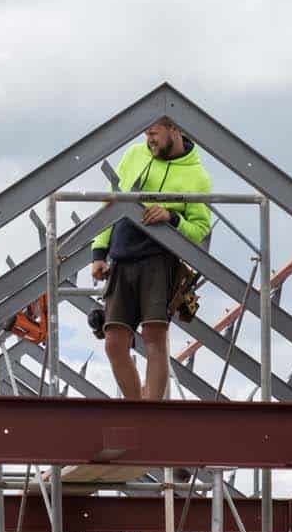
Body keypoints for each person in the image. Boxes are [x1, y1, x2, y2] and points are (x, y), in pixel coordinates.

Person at [89, 119, 213, 401]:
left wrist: (171, 217)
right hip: (121, 257)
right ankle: (136, 407)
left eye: (154, 134)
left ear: (174, 129)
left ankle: (152, 410)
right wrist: (98, 253)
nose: (149, 140)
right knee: (114, 342)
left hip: (159, 261)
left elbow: (199, 231)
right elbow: (110, 206)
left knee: (154, 337)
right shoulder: (134, 155)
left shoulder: (197, 177)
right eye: (146, 134)